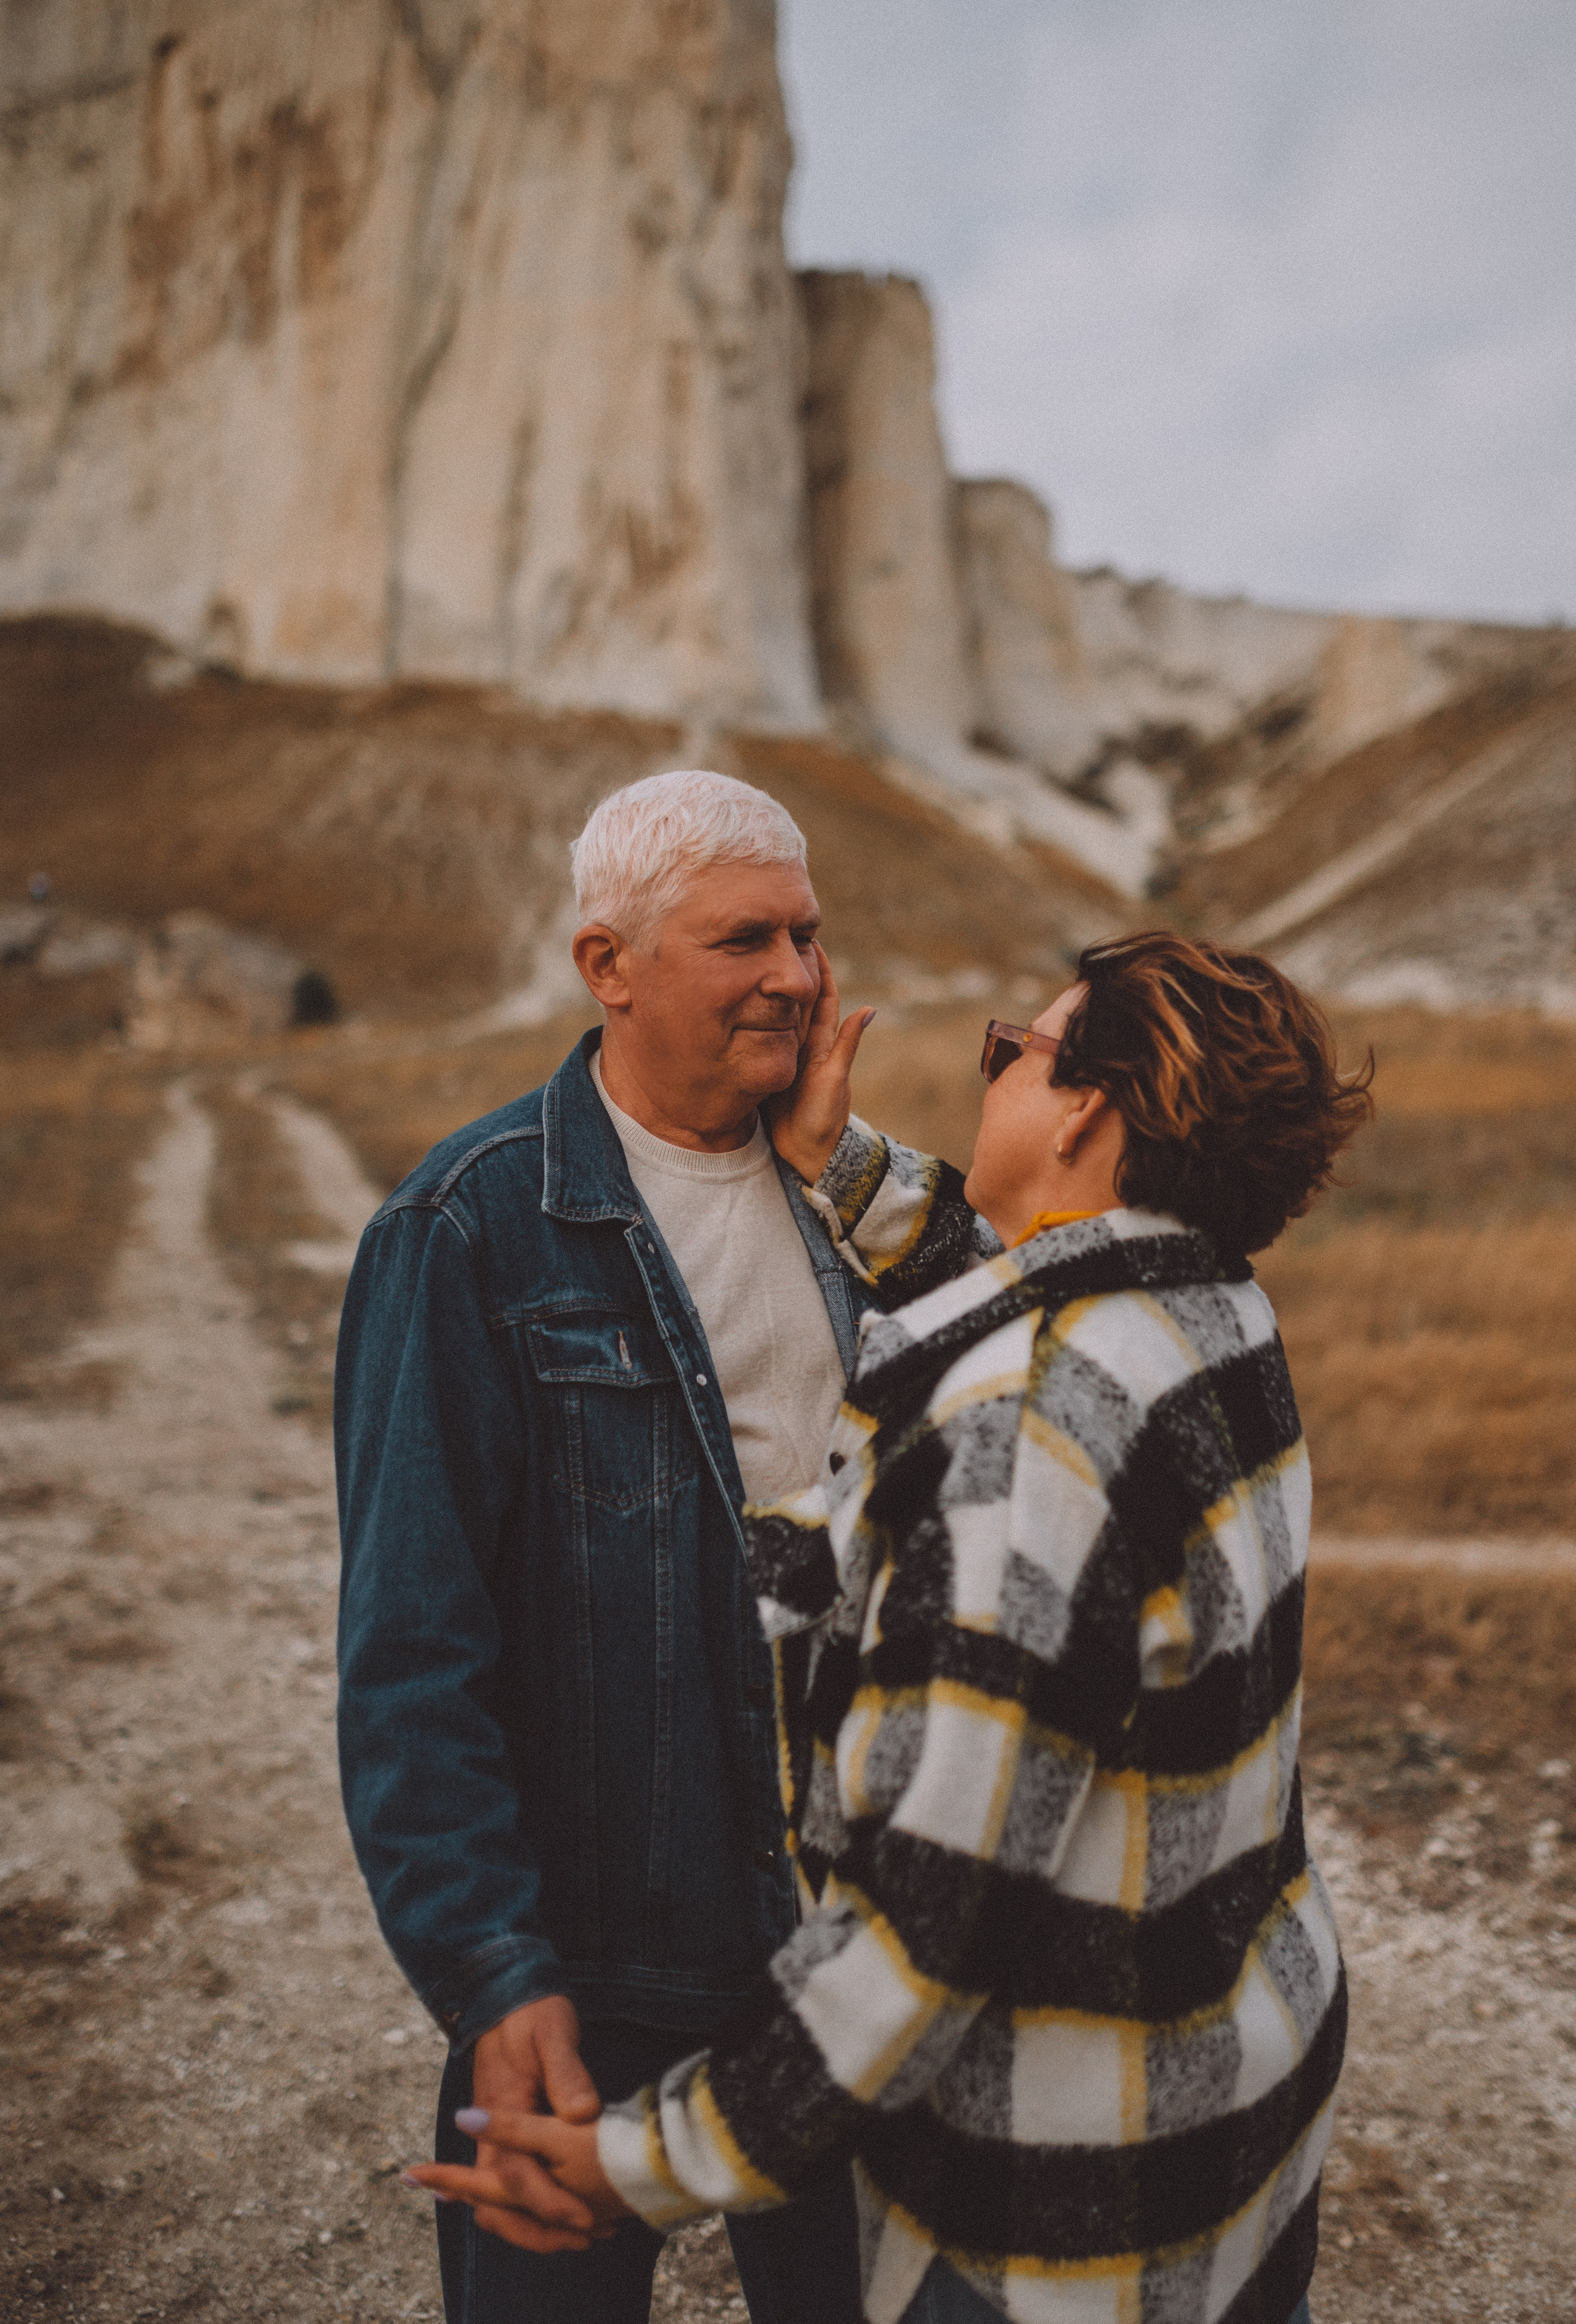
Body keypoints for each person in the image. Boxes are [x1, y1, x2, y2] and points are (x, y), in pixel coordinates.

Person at [407, 931, 1373, 2324]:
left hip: (1056, 2222)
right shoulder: (1211, 1318)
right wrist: (841, 1160)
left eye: (1010, 1051)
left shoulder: (1030, 1437)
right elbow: (1027, 1283)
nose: (988, 1075)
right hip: (1231, 2122)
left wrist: (644, 2163)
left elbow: (924, 1929)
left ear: (1084, 1105)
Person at [336, 770, 981, 2324]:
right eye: (740, 936)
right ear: (606, 965)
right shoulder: (468, 1229)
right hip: (597, 1957)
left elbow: (1036, 1347)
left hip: (848, 1949)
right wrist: (492, 1971)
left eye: (807, 934)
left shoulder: (846, 1200)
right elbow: (414, 1653)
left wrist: (854, 1172)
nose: (795, 975)